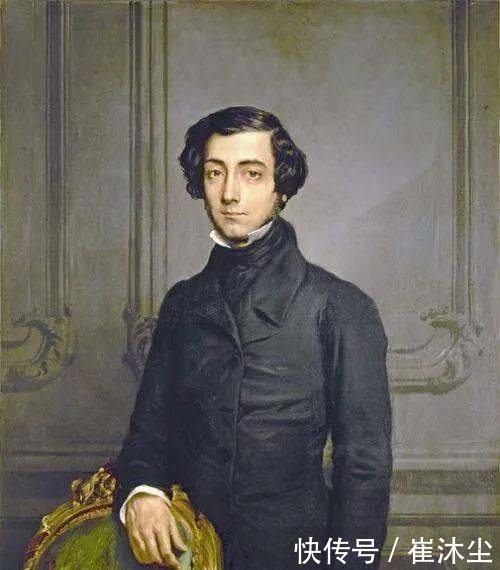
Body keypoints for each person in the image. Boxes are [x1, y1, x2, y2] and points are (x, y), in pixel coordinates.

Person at [114, 106, 392, 570]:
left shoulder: (340, 307)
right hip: (188, 554)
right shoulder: (183, 303)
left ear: (280, 187)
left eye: (252, 173)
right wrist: (143, 493)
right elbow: (149, 433)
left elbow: (364, 467)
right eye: (215, 173)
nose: (230, 193)